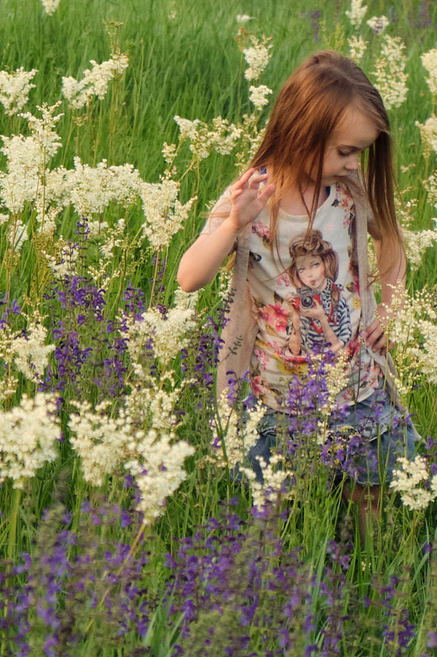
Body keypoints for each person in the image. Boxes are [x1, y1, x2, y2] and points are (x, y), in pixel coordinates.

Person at [173, 50, 417, 518]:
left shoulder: (347, 192)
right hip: (279, 394)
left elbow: (392, 246)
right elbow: (189, 277)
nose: (352, 162)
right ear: (302, 133)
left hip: (357, 384)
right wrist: (230, 227)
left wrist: (391, 308)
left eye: (360, 153)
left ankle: (368, 577)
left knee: (368, 490)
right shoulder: (252, 199)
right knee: (276, 506)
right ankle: (274, 584)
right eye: (345, 151)